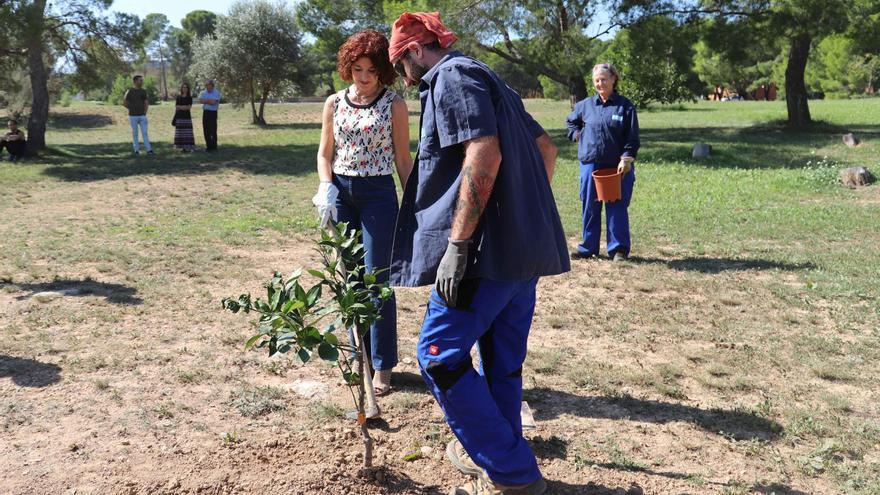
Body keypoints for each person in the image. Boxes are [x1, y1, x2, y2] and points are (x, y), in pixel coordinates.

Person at [387, 12, 569, 495]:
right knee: (501, 362)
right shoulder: (490, 78)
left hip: (481, 258)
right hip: (519, 254)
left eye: (401, 67)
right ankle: (502, 455)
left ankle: (512, 471)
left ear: (413, 52)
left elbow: (484, 152)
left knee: (439, 356)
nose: (405, 79)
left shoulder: (447, 77)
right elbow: (546, 149)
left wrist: (460, 243)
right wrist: (515, 215)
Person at [312, 29, 413, 398]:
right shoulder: (334, 103)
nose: (364, 77)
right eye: (357, 69)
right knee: (350, 279)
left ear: (382, 70)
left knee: (377, 281)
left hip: (378, 196)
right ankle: (361, 359)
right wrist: (326, 187)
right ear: (348, 68)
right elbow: (325, 154)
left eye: (371, 70)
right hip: (343, 193)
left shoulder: (394, 105)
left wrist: (413, 203)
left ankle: (384, 364)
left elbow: (403, 159)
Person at [566, 62, 640, 262]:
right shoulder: (585, 105)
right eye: (596, 80)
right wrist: (576, 134)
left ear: (613, 79)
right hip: (590, 163)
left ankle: (618, 250)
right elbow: (571, 122)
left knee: (616, 206)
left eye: (604, 79)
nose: (600, 84)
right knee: (590, 205)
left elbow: (632, 137)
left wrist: (626, 158)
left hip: (617, 166)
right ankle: (588, 248)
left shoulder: (625, 106)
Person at [122, 75, 153, 155]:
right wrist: (131, 108)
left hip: (142, 116)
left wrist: (144, 113)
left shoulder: (143, 91)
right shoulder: (130, 91)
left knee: (145, 133)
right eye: (140, 80)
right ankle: (136, 150)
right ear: (135, 81)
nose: (142, 82)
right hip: (133, 116)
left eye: (142, 80)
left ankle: (149, 150)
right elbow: (124, 103)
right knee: (135, 133)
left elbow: (146, 103)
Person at [173, 83, 196, 152]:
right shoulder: (178, 97)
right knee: (181, 133)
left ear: (188, 89)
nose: (184, 89)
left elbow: (188, 107)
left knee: (187, 132)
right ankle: (182, 147)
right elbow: (177, 107)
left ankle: (189, 147)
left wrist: (181, 107)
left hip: (187, 118)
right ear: (181, 88)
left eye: (186, 87)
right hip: (179, 117)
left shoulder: (189, 97)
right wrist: (183, 107)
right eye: (183, 87)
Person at [198, 80, 220, 151]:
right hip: (206, 112)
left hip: (213, 113)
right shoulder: (203, 92)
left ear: (212, 86)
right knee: (206, 130)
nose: (208, 87)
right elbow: (200, 100)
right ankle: (208, 146)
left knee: (213, 130)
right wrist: (209, 101)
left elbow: (214, 102)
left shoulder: (216, 92)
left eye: (209, 85)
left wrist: (206, 101)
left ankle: (214, 147)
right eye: (207, 85)